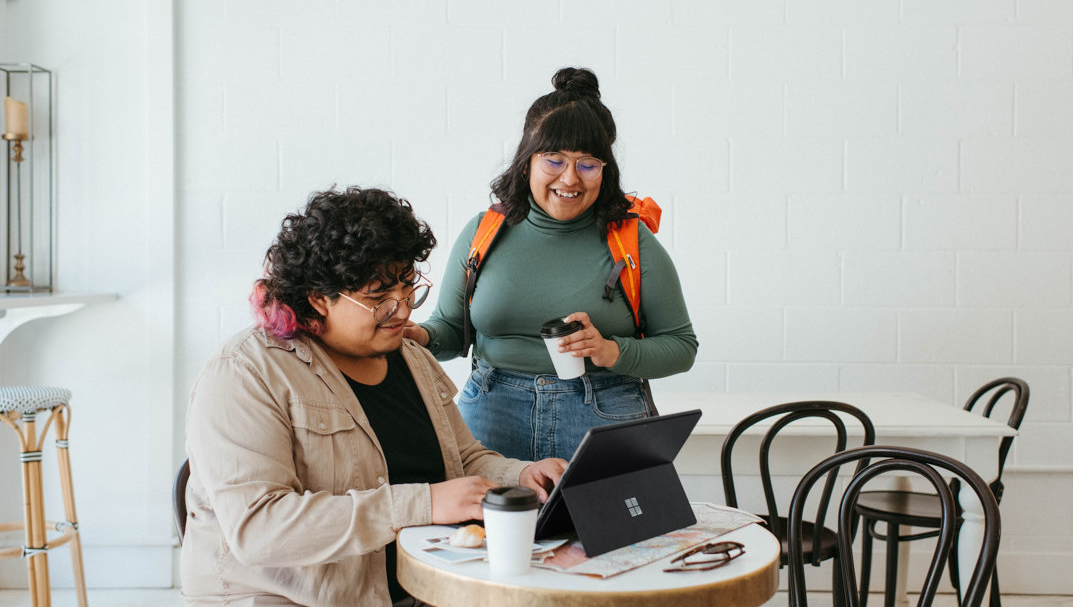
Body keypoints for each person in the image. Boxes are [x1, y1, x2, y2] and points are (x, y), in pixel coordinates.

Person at [181, 187, 566, 607]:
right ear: (317, 299)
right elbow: (259, 530)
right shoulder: (246, 373)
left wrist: (520, 476)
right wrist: (424, 503)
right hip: (288, 599)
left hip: (417, 586)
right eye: (378, 297)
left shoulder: (411, 356)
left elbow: (464, 459)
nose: (402, 310)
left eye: (406, 287)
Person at [405, 67, 698, 462]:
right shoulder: (484, 231)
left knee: (607, 525)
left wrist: (611, 350)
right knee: (482, 527)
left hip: (603, 412)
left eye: (588, 163)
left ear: (604, 169)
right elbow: (453, 331)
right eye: (554, 160)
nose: (571, 178)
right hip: (492, 411)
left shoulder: (632, 241)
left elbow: (681, 347)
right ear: (528, 162)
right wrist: (420, 337)